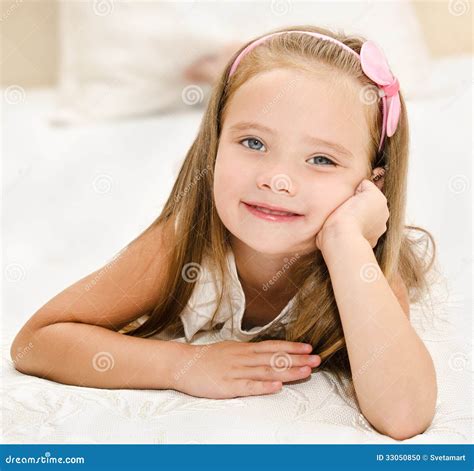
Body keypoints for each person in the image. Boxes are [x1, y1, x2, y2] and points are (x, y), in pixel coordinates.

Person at [11, 25, 438, 440]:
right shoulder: (184, 245)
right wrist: (184, 365)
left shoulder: (367, 265)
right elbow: (35, 342)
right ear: (214, 147)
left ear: (371, 186)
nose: (276, 179)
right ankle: (220, 63)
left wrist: (346, 243)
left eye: (322, 160)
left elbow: (403, 415)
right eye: (253, 142)